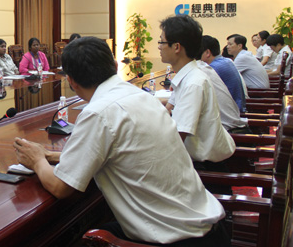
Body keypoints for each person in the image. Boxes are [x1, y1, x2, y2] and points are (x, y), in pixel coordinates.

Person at [13, 37, 228, 245]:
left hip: (175, 240)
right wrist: (54, 156)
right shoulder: (141, 96)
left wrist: (37, 160)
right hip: (210, 229)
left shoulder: (98, 112)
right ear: (115, 66)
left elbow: (61, 187)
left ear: (70, 81)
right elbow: (124, 151)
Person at [159, 16, 234, 164]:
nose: (159, 47)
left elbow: (177, 138)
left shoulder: (194, 83)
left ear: (176, 47)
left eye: (161, 42)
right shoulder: (187, 76)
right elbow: (168, 109)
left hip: (206, 166)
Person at [199, 35, 246, 113]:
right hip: (237, 108)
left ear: (207, 53)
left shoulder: (213, 68)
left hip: (231, 113)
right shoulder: (226, 61)